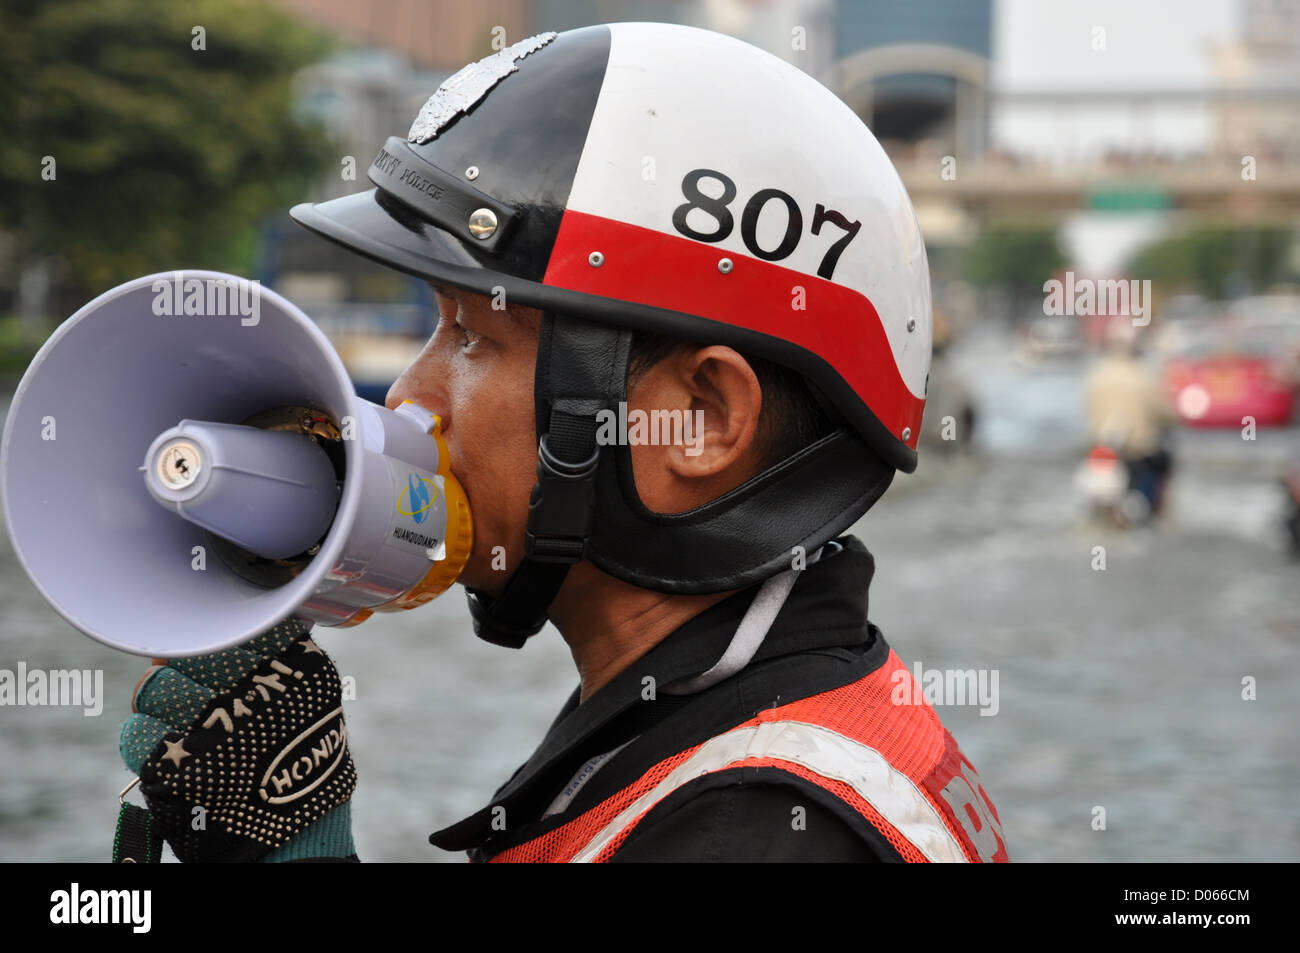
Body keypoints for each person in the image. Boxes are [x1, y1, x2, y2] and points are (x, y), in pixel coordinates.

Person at [118, 22, 1008, 863]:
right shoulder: (720, 725)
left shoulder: (759, 830)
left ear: (700, 420)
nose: (409, 393)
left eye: (471, 339)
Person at [1085, 319, 1178, 519]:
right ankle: (1158, 512)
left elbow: (1089, 410)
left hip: (1102, 450)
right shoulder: (1143, 376)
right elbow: (1164, 411)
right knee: (1165, 464)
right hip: (1139, 451)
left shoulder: (1097, 374)